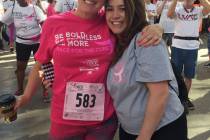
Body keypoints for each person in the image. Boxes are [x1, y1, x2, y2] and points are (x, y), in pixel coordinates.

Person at [14, 0, 163, 139]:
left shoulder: (110, 20)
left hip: (103, 120)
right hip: (64, 119)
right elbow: (40, 64)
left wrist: (157, 27)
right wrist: (26, 97)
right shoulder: (53, 24)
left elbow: (135, 24)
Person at [106, 0, 187, 140]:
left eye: (122, 9)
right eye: (110, 9)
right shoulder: (115, 41)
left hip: (161, 130)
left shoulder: (146, 40)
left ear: (134, 11)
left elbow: (160, 94)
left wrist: (144, 136)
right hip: (129, 130)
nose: (115, 15)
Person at [168, 0, 210, 110]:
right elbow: (169, 14)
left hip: (192, 46)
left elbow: (208, 8)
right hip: (177, 45)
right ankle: (176, 98)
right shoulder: (178, 9)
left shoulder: (199, 10)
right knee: (175, 75)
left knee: (189, 76)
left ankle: (185, 99)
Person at [0, 0, 46, 96]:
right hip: (22, 43)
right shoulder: (12, 9)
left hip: (38, 42)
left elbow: (44, 25)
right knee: (20, 67)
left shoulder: (35, 9)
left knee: (41, 67)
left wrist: (47, 40)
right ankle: (20, 89)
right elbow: (1, 22)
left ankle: (45, 91)